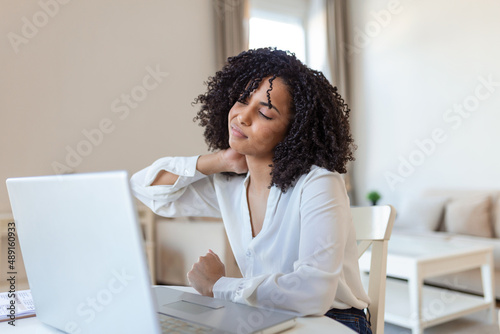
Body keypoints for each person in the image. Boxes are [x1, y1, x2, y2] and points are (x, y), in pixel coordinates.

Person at [130, 47, 371, 333]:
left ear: (293, 132)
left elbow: (314, 292)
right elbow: (145, 189)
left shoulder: (319, 183)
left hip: (333, 322)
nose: (243, 117)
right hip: (266, 316)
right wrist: (218, 160)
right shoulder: (229, 184)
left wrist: (218, 285)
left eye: (265, 113)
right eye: (243, 100)